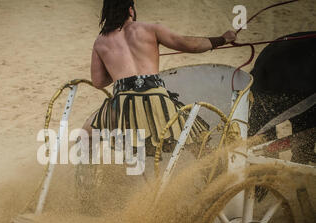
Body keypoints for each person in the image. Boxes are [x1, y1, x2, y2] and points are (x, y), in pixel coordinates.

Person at [85, 0, 237, 155]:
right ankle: (210, 165)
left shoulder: (100, 42)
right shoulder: (150, 29)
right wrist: (223, 38)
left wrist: (117, 68)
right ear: (131, 10)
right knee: (193, 138)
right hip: (157, 99)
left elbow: (98, 82)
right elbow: (192, 45)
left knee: (88, 131)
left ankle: (92, 177)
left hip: (123, 107)